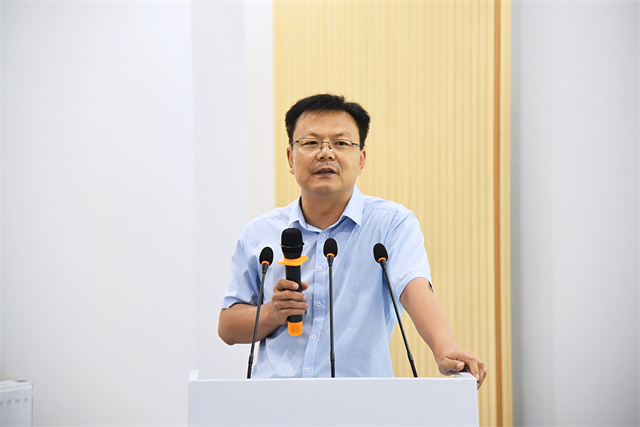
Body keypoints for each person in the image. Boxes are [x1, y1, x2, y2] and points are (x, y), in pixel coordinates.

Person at [218, 94, 487, 387]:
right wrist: (272, 312)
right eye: (311, 143)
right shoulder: (260, 233)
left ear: (361, 159)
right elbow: (227, 327)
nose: (326, 153)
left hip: (361, 400)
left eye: (341, 143)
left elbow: (414, 289)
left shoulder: (390, 224)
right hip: (276, 400)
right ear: (290, 158)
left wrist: (445, 349)